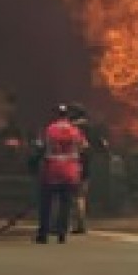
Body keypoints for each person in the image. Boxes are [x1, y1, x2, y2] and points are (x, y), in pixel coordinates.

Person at [34, 104, 88, 244]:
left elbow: (40, 146)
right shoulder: (75, 131)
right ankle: (62, 234)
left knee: (46, 203)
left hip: (51, 170)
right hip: (70, 172)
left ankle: (43, 234)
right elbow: (84, 147)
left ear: (56, 115)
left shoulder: (50, 129)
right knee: (66, 203)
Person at [68, 103, 108, 234]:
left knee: (69, 194)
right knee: (81, 195)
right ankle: (81, 224)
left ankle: (67, 222)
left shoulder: (70, 128)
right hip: (86, 164)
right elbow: (102, 145)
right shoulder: (92, 128)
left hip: (70, 163)